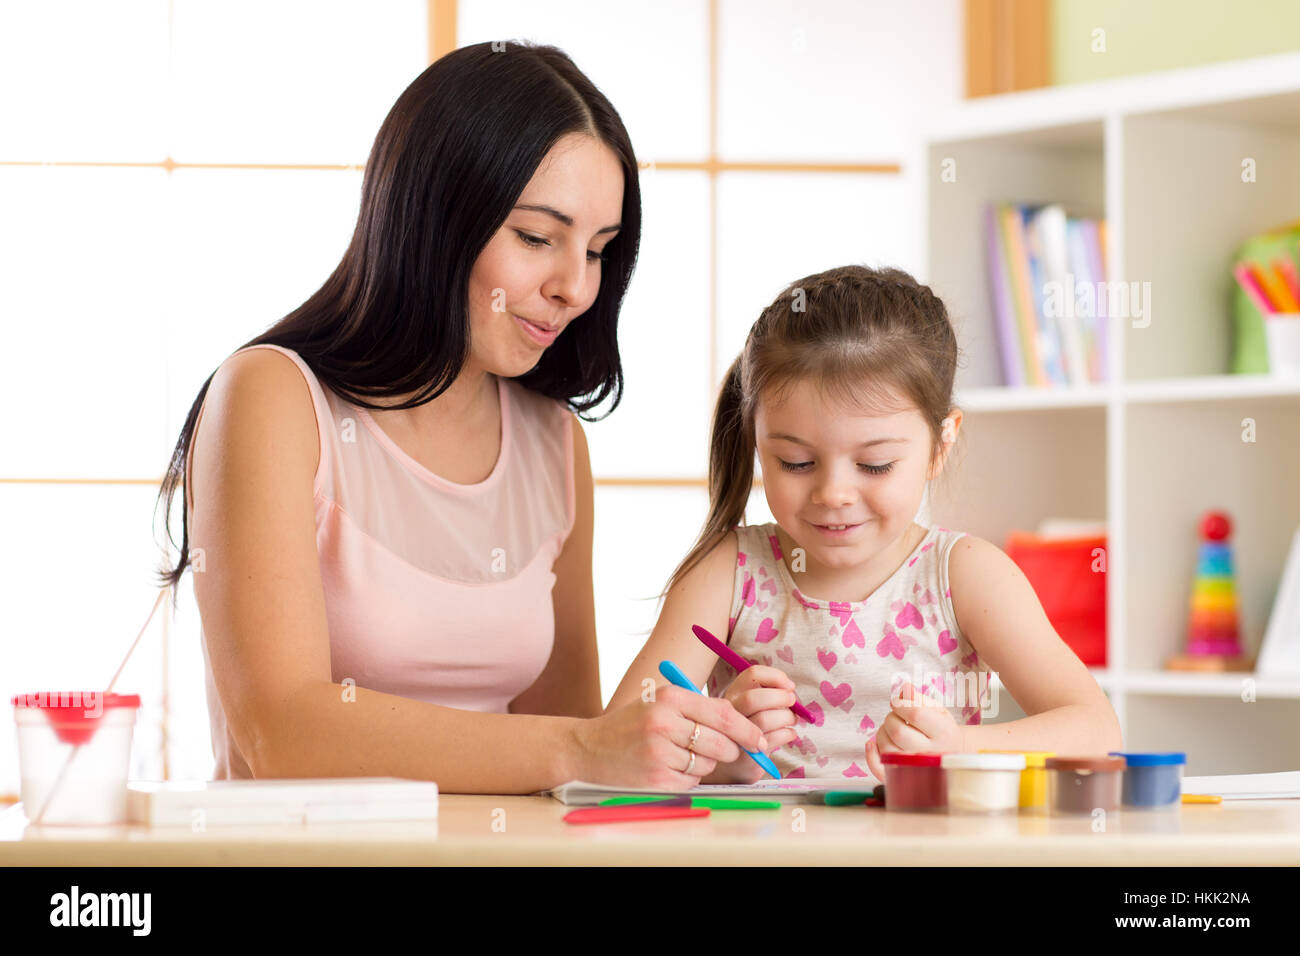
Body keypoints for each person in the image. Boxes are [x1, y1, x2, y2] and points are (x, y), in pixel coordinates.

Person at [155, 41, 767, 793]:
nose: (575, 287)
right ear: (435, 215)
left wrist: (701, 749)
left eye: (600, 250)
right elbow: (279, 734)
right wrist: (582, 748)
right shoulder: (272, 397)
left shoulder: (552, 440)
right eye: (538, 238)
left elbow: (572, 747)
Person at [606, 264, 1122, 781]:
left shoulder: (964, 575)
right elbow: (616, 746)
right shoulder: (728, 573)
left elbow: (1097, 731)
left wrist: (960, 747)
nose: (833, 494)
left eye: (874, 465)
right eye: (796, 463)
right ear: (756, 440)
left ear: (940, 445)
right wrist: (725, 750)